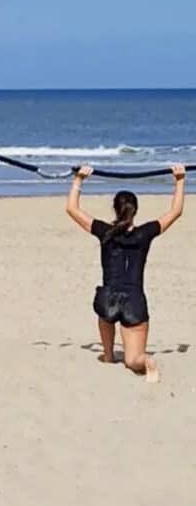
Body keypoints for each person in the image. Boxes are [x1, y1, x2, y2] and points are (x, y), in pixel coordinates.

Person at [66, 163, 185, 382]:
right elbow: (175, 212)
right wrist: (179, 180)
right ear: (135, 211)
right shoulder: (145, 233)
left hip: (108, 300)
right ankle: (145, 361)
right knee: (133, 360)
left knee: (105, 308)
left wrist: (79, 179)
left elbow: (72, 209)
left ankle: (109, 355)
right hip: (134, 301)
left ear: (115, 209)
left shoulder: (105, 232)